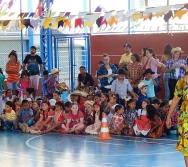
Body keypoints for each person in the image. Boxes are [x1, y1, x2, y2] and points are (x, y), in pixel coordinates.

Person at [166, 67, 188, 166]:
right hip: (185, 119)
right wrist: (168, 116)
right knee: (186, 146)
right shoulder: (182, 81)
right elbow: (176, 98)